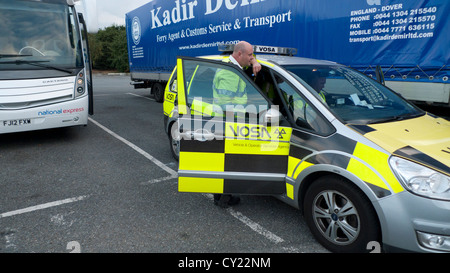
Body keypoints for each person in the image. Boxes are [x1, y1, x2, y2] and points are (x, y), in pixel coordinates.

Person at [212, 41, 260, 208]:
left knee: (228, 162)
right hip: (230, 123)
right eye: (249, 55)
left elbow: (249, 60)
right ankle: (223, 198)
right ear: (239, 54)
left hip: (230, 122)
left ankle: (223, 195)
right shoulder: (230, 74)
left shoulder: (233, 66)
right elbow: (227, 105)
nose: (251, 57)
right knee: (230, 163)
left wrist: (254, 62)